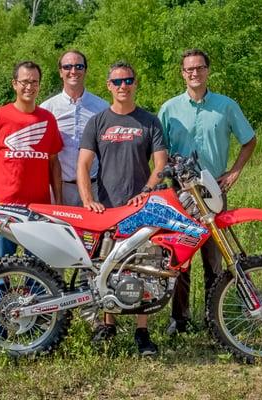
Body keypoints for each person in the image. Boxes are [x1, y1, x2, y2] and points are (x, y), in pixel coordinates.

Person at [158, 49, 256, 334]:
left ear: (207, 71)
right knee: (180, 258)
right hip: (180, 193)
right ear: (182, 73)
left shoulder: (225, 106)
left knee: (214, 258)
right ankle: (180, 319)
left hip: (213, 189)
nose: (194, 73)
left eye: (199, 68)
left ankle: (215, 320)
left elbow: (249, 140)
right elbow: (159, 149)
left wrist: (235, 171)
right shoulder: (169, 109)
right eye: (189, 69)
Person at [77, 61, 168, 355]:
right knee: (107, 267)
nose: (123, 86)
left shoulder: (150, 121)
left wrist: (146, 192)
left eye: (128, 81)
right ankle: (108, 325)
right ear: (108, 86)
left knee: (145, 268)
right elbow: (84, 164)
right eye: (117, 82)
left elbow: (160, 165)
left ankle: (142, 331)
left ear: (135, 83)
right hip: (108, 209)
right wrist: (88, 198)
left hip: (142, 207)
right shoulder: (98, 121)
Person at [0, 60, 63, 335]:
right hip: (4, 210)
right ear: (14, 84)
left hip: (38, 210)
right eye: (24, 81)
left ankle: (34, 329)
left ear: (39, 85)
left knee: (38, 272)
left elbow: (54, 164)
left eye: (34, 82)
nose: (29, 86)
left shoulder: (46, 119)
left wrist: (57, 205)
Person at [41, 50, 108, 206]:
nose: (73, 71)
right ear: (60, 72)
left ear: (85, 70)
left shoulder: (102, 107)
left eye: (79, 66)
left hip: (95, 187)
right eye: (67, 67)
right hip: (60, 189)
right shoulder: (47, 108)